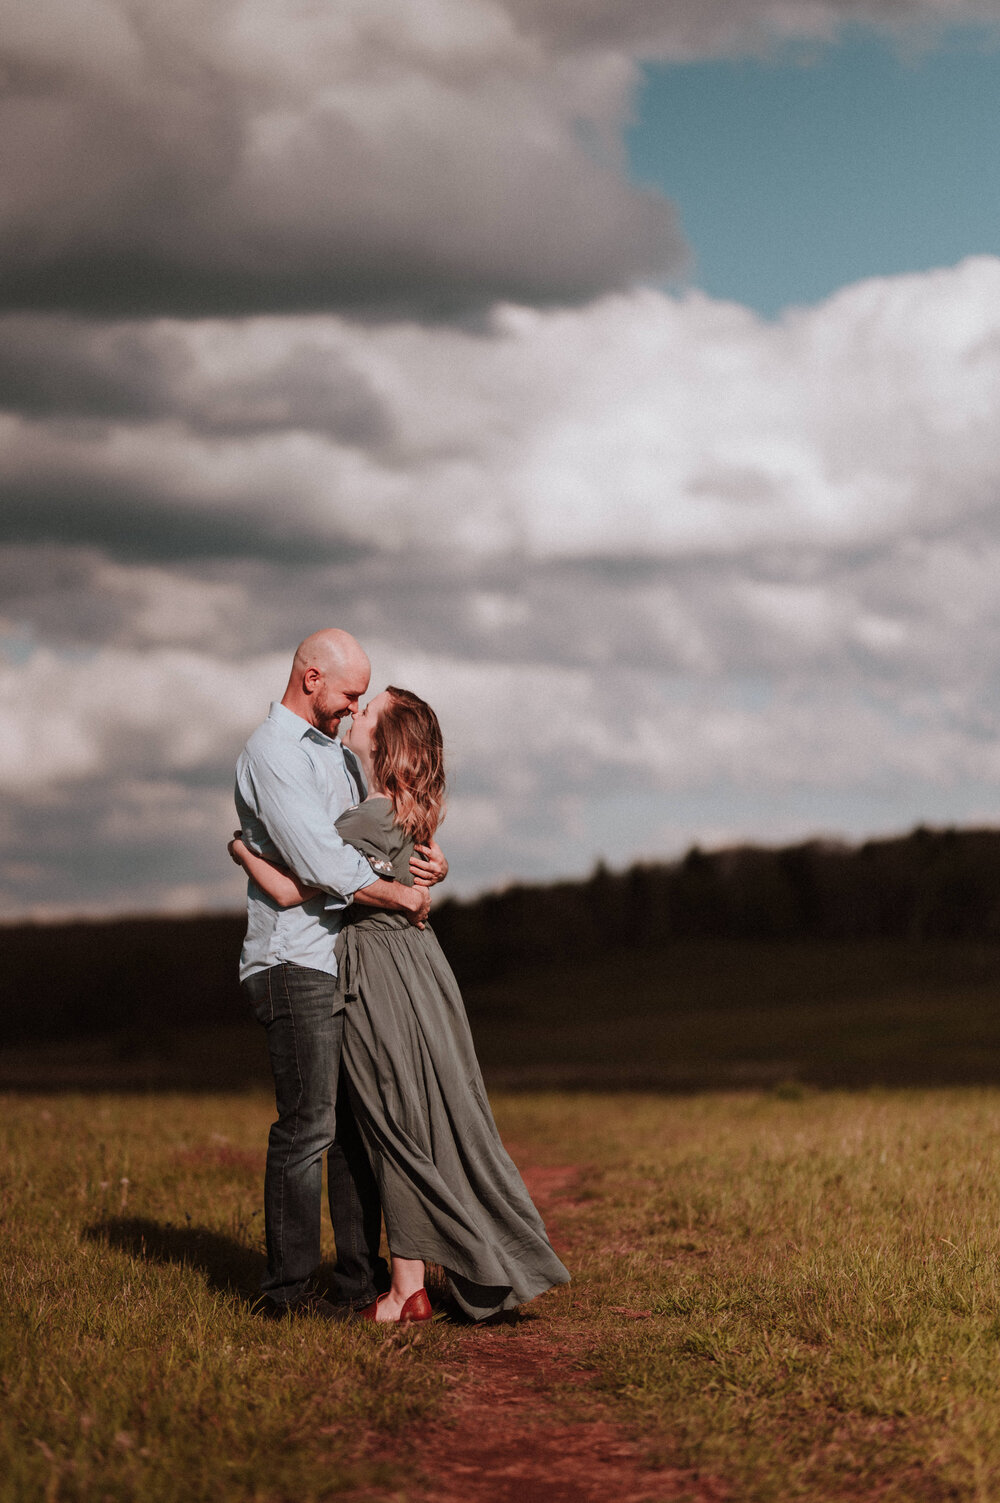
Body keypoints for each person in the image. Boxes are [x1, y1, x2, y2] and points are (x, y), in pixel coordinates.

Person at [230, 685, 570, 1324]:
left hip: (381, 971)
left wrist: (240, 847)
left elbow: (289, 884)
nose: (356, 711)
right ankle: (409, 1284)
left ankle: (405, 1290)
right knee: (410, 1115)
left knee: (391, 1121)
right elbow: (395, 866)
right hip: (419, 963)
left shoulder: (360, 820)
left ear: (386, 743)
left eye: (370, 708)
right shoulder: (405, 816)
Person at [234, 630, 448, 1322]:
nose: (356, 708)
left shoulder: (339, 758)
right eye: (351, 693)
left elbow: (378, 839)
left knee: (357, 1125)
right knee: (308, 1126)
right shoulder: (272, 755)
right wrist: (401, 894)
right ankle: (287, 1295)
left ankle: (360, 1281)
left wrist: (428, 863)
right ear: (312, 675)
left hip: (345, 959)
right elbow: (321, 866)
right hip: (294, 959)